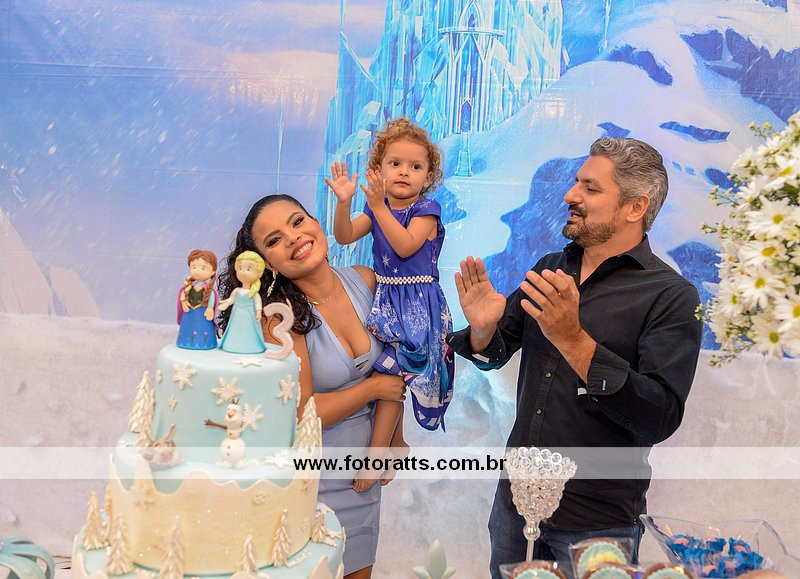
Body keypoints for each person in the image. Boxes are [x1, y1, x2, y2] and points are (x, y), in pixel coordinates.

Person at [447, 137, 703, 578]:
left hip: (598, 523)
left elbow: (659, 416)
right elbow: (494, 351)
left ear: (635, 207)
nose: (570, 195)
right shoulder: (551, 268)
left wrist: (574, 341)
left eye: (590, 187)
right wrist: (484, 329)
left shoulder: (672, 296)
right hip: (515, 508)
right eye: (575, 183)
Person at [218, 194, 406, 579]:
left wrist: (394, 440)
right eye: (274, 240)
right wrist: (371, 390)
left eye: (297, 221)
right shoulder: (279, 320)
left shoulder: (366, 279)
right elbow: (301, 412)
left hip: (362, 477)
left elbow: (398, 368)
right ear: (267, 263)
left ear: (317, 224)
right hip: (309, 482)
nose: (292, 237)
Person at [327, 117, 455, 488]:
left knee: (391, 374)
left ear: (428, 177)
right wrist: (345, 203)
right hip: (386, 301)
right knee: (386, 372)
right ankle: (395, 443)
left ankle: (379, 453)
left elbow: (405, 245)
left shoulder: (426, 210)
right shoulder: (376, 208)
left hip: (417, 308)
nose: (403, 172)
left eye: (415, 167)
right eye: (395, 163)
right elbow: (344, 235)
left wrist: (379, 208)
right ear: (378, 169)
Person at [217, 250, 268, 354]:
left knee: (248, 329)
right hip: (237, 314)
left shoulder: (254, 293)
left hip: (249, 315)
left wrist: (258, 312)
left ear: (258, 272)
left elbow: (258, 304)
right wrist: (226, 303)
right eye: (240, 268)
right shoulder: (237, 291)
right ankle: (232, 344)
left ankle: (250, 346)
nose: (243, 272)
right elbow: (231, 299)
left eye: (248, 269)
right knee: (236, 328)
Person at [176, 249, 218, 350]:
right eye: (194, 267)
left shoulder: (208, 289)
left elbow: (211, 297)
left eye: (203, 268)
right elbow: (183, 295)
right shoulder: (189, 287)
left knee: (203, 328)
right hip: (189, 312)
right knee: (188, 326)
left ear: (212, 272)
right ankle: (185, 341)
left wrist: (210, 308)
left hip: (203, 313)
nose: (197, 271)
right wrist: (184, 302)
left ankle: (204, 343)